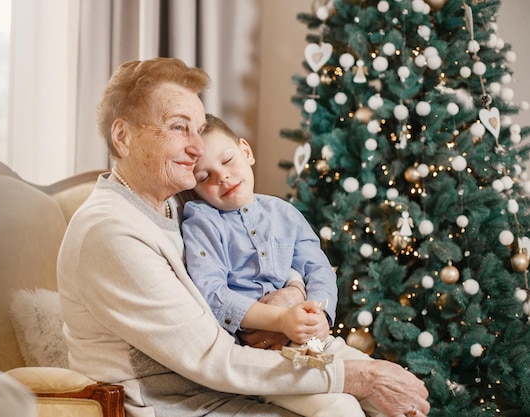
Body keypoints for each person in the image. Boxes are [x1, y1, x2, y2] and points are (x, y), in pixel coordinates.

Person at [57, 56, 430, 417]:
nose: (199, 149)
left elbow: (270, 247)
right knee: (343, 406)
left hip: (226, 387)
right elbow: (212, 359)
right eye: (178, 127)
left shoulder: (178, 201)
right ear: (123, 136)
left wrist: (295, 293)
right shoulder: (110, 232)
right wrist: (355, 376)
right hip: (179, 404)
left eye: (199, 129)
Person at [180, 114, 383, 417]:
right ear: (194, 188)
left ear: (246, 151)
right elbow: (213, 294)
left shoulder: (282, 212)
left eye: (227, 161)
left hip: (313, 340)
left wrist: (319, 313)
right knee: (340, 408)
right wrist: (279, 320)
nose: (221, 177)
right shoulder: (202, 222)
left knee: (387, 387)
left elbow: (318, 268)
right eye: (204, 177)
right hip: (261, 359)